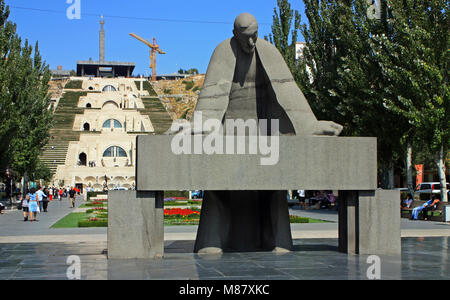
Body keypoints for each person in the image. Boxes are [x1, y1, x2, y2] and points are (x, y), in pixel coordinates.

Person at [189, 13, 343, 254]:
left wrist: (310, 125)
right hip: (231, 129)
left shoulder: (268, 51)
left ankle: (277, 240)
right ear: (235, 35)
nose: (251, 43)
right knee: (219, 184)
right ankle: (214, 240)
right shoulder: (222, 52)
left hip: (264, 129)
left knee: (273, 182)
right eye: (246, 38)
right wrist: (199, 124)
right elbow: (211, 96)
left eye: (255, 37)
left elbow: (288, 90)